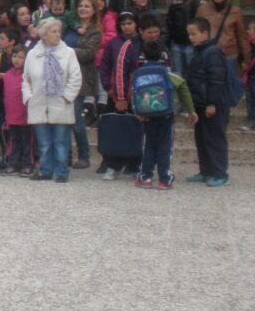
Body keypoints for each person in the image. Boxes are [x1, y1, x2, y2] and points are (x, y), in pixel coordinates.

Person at [22, 18, 82, 183]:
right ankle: (45, 170)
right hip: (39, 103)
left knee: (61, 142)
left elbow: (75, 77)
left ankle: (62, 172)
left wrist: (67, 97)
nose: (58, 34)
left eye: (58, 31)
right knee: (44, 142)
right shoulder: (33, 54)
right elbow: (26, 79)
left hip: (61, 104)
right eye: (53, 31)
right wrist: (28, 98)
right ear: (44, 34)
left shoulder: (69, 53)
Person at [135, 40, 197, 190]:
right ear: (163, 55)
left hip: (146, 115)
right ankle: (164, 179)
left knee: (148, 145)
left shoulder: (139, 73)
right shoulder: (167, 73)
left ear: (143, 55)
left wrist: (138, 111)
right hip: (166, 115)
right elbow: (182, 87)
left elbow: (135, 93)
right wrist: (191, 110)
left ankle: (146, 177)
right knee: (164, 146)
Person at [185, 17, 231, 187]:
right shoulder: (199, 51)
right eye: (189, 34)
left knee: (214, 139)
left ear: (204, 33)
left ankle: (220, 173)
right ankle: (205, 171)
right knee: (202, 139)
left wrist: (212, 103)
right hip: (200, 104)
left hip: (213, 105)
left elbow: (216, 80)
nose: (190, 38)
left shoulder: (212, 52)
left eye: (194, 34)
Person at [98, 11, 141, 179]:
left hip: (136, 95)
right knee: (116, 131)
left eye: (130, 23)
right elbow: (105, 66)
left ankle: (134, 165)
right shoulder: (114, 43)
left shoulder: (141, 42)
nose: (127, 26)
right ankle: (113, 165)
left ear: (136, 24)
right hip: (115, 94)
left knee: (135, 130)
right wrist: (108, 88)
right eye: (123, 24)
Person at [70, 0, 101, 170]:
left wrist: (65, 50)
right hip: (64, 77)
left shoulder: (95, 30)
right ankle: (66, 155)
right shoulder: (71, 27)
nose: (83, 9)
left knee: (76, 118)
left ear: (93, 10)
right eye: (80, 6)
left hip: (82, 77)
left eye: (87, 6)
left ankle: (84, 155)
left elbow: (89, 53)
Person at [196, 0, 251, 73]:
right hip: (209, 56)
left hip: (229, 56)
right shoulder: (202, 10)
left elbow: (242, 37)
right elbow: (196, 33)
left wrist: (247, 60)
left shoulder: (235, 11)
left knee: (229, 86)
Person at [0, 45, 32, 176]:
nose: (16, 60)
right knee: (13, 140)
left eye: (20, 57)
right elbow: (6, 95)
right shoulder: (7, 75)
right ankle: (13, 163)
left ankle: (26, 164)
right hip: (11, 115)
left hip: (25, 115)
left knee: (26, 140)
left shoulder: (27, 75)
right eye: (14, 56)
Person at [163, 0, 199, 77]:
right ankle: (180, 92)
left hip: (190, 44)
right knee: (178, 73)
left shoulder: (193, 4)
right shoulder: (172, 5)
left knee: (192, 72)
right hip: (176, 45)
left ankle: (192, 92)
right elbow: (169, 24)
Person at [244, 21, 255, 132]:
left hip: (252, 75)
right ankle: (251, 119)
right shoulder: (250, 43)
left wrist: (247, 67)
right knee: (250, 98)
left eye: (249, 29)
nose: (247, 31)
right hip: (251, 75)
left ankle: (251, 120)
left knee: (251, 99)